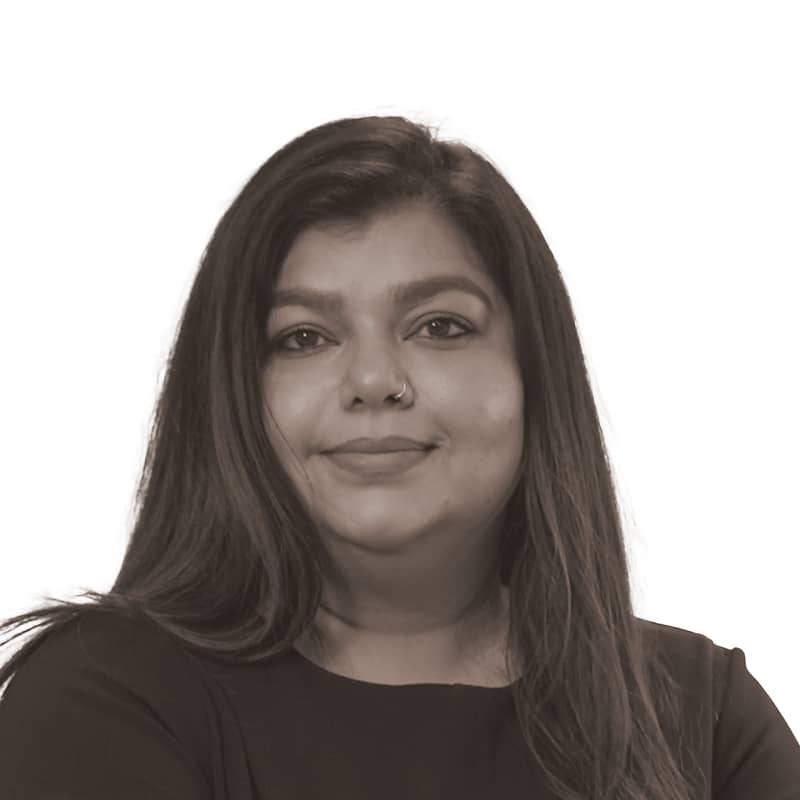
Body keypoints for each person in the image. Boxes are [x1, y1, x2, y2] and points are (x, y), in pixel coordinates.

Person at [0, 115, 798, 800]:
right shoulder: (103, 699)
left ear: (534, 373)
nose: (374, 381)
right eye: (304, 337)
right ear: (233, 394)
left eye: (440, 326)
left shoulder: (701, 717)